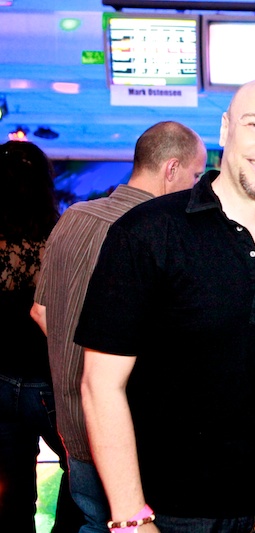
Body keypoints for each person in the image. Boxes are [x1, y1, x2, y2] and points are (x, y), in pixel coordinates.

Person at [73, 77, 255, 533]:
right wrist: (130, 517)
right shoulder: (148, 232)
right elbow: (99, 385)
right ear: (226, 130)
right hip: (175, 514)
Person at [29, 121, 207, 533]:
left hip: (73, 427)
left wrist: (82, 362)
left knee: (91, 521)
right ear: (171, 169)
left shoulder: (73, 217)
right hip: (130, 437)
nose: (196, 186)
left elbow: (40, 311)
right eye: (196, 175)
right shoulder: (160, 233)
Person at [0, 140, 83, 532]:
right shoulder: (59, 235)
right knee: (84, 470)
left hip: (0, 380)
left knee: (11, 490)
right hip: (48, 379)